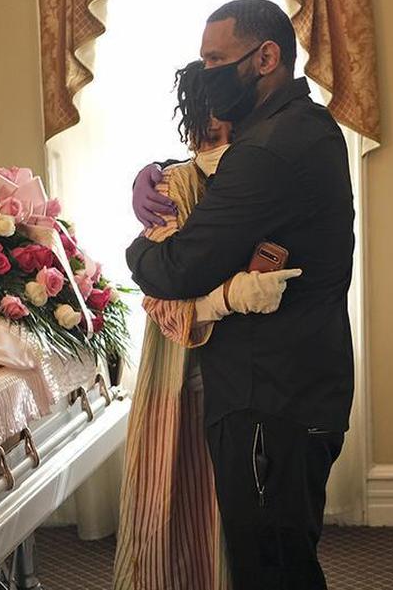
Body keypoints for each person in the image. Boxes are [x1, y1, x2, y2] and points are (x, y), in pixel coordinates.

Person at [126, 0, 355, 589]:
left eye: (216, 59)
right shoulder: (304, 125)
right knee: (280, 551)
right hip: (301, 381)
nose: (205, 74)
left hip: (267, 397)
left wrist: (136, 249)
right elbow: (212, 167)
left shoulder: (268, 151)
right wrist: (154, 170)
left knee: (271, 566)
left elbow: (176, 269)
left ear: (266, 57)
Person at [114, 61, 300, 590]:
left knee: (249, 522)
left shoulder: (262, 167)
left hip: (256, 374)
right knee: (185, 515)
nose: (220, 137)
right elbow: (160, 296)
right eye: (210, 129)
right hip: (185, 375)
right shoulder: (173, 187)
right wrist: (222, 301)